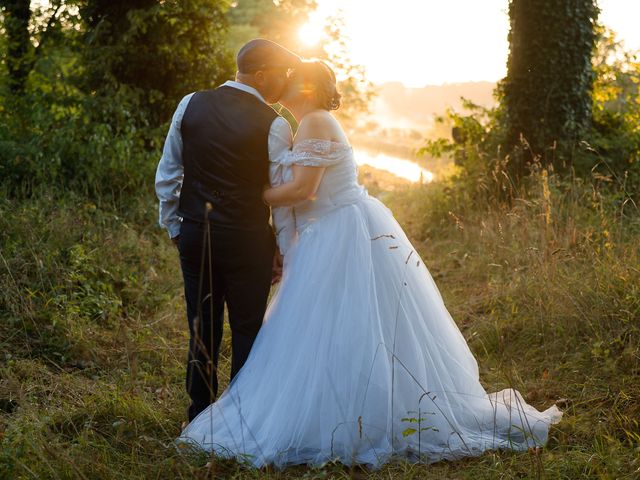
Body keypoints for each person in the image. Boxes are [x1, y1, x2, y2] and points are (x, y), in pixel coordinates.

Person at [177, 60, 562, 468]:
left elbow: (305, 190)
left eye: (290, 80)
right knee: (330, 327)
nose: (281, 84)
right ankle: (339, 406)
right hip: (326, 232)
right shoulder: (308, 123)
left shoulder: (315, 123)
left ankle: (354, 416)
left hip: (338, 233)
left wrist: (255, 195)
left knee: (344, 325)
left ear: (305, 89)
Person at [155, 39, 300, 423]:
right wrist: (282, 249)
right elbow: (281, 199)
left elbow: (168, 171)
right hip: (247, 241)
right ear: (261, 75)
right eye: (281, 74)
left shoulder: (190, 103)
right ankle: (240, 418)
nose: (284, 81)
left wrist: (174, 225)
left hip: (195, 233)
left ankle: (199, 414)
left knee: (201, 328)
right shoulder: (275, 123)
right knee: (248, 328)